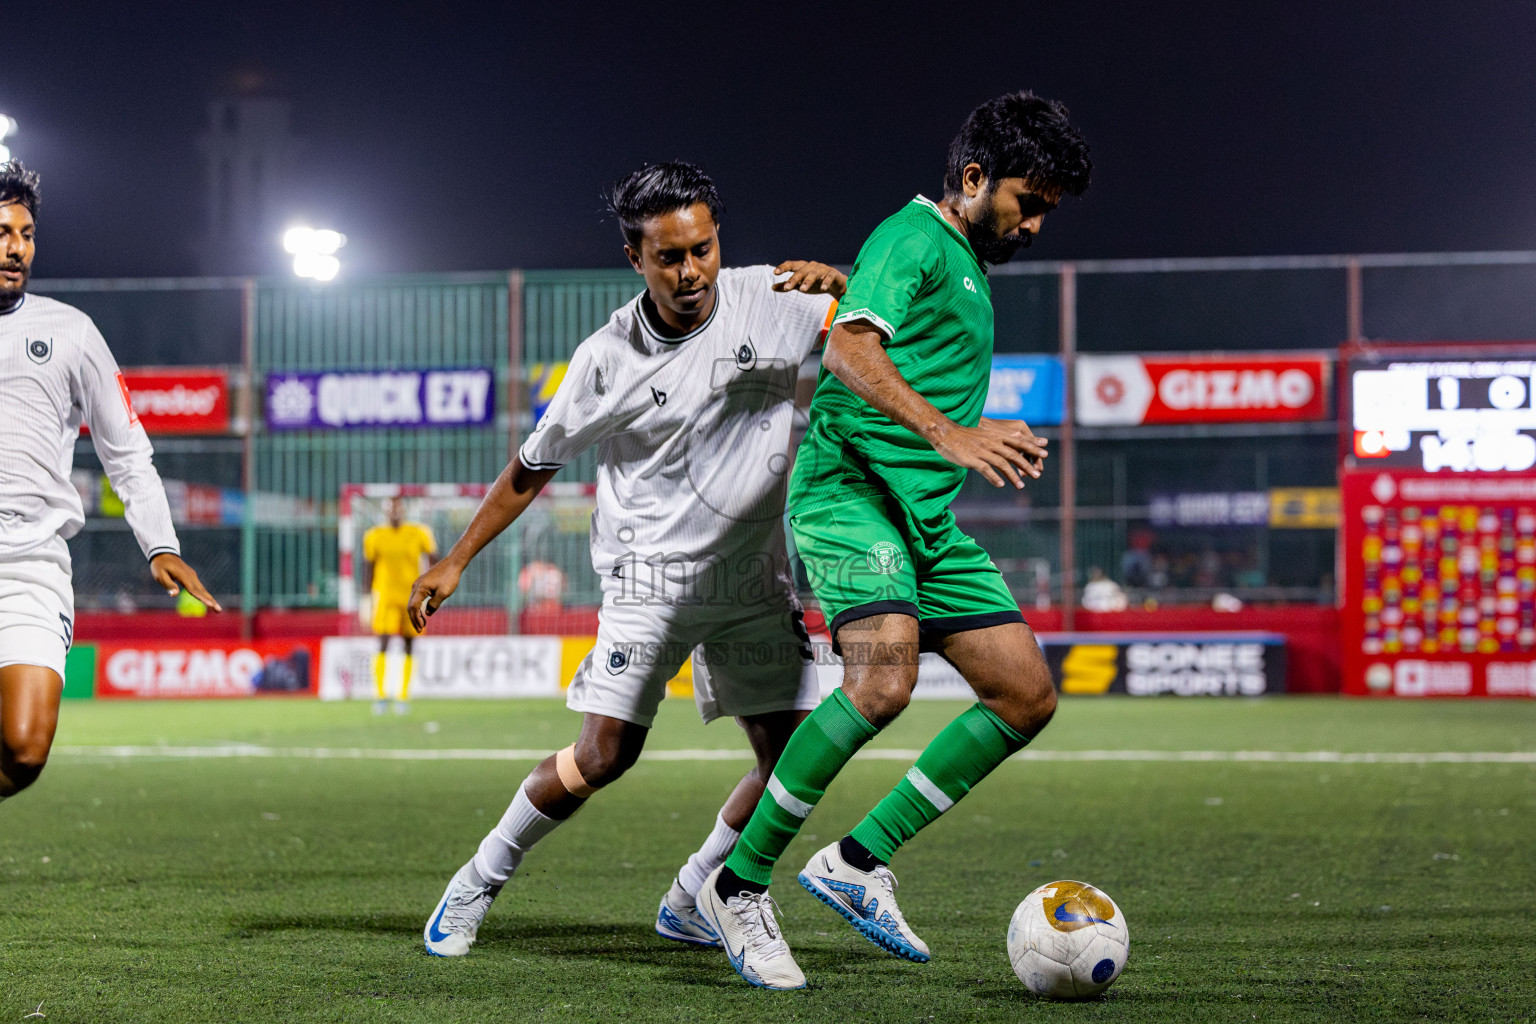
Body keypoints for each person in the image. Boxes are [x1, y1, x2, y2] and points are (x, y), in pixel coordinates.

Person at [697, 92, 1092, 990]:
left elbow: (886, 323)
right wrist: (954, 434)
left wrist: (845, 282)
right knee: (882, 679)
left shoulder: (946, 257)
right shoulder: (915, 237)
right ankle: (737, 883)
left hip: (924, 521)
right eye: (1026, 202)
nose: (1032, 224)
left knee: (1024, 695)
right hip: (849, 499)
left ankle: (858, 863)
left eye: (1045, 212)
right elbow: (849, 356)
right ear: (972, 178)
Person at [407, 162, 846, 958]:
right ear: (634, 258)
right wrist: (455, 560)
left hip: (752, 578)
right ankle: (475, 881)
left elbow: (881, 330)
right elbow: (531, 468)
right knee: (604, 755)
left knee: (795, 763)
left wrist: (846, 282)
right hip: (650, 581)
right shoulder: (605, 358)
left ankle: (695, 893)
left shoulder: (777, 297)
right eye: (669, 257)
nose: (691, 272)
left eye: (703, 250)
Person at [0, 161, 220, 803]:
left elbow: (127, 453)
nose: (16, 248)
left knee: (25, 747)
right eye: (3, 232)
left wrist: (162, 544)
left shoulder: (71, 331)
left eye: (27, 233)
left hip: (30, 566)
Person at [360, 497, 437, 713]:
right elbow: (368, 567)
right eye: (390, 508)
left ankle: (403, 696)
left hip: (412, 596)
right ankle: (381, 696)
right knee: (383, 641)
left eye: (397, 508)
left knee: (409, 643)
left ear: (403, 510)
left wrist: (431, 589)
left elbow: (434, 558)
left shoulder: (418, 533)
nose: (394, 512)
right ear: (385, 512)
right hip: (385, 596)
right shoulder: (375, 536)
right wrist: (366, 598)